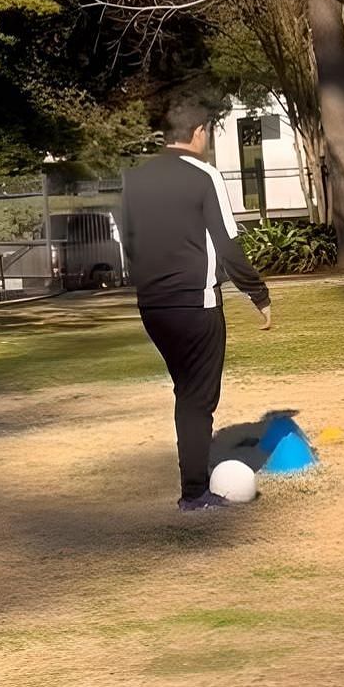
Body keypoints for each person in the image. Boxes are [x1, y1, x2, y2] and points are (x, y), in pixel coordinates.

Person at [122, 95, 272, 512]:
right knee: (195, 397)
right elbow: (229, 244)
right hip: (197, 305)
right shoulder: (205, 176)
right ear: (200, 132)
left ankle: (194, 483)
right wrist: (258, 295)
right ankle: (194, 493)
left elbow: (130, 243)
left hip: (152, 306)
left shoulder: (134, 180)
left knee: (186, 391)